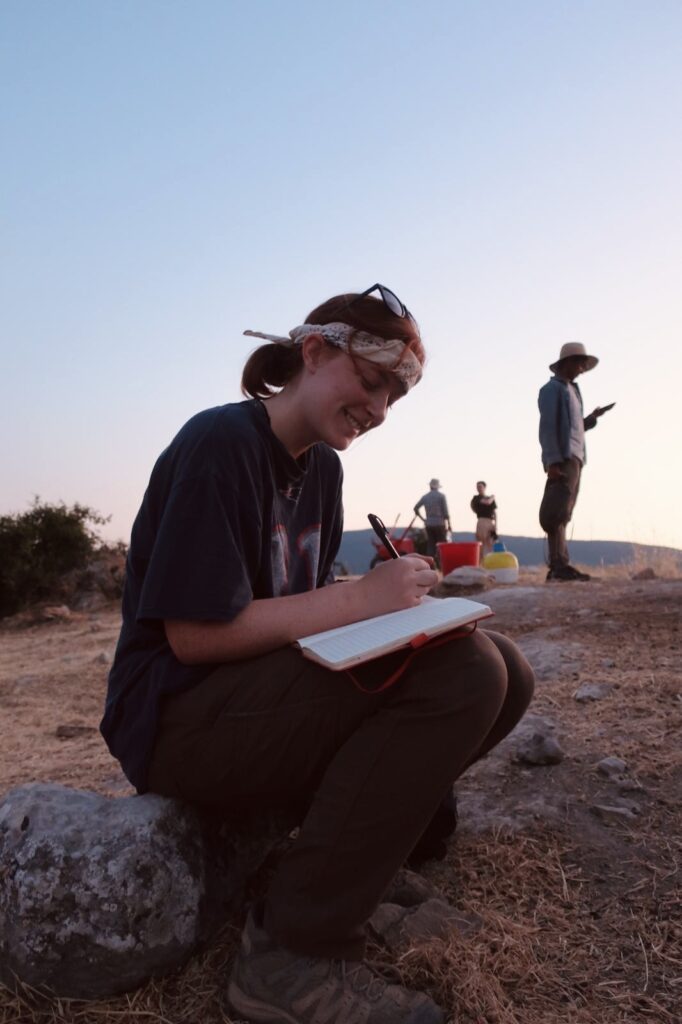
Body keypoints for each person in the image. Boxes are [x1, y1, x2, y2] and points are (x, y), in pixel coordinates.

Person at [101, 284, 535, 1024]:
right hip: (176, 718)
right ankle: (291, 954)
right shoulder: (220, 445)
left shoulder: (323, 473)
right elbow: (195, 636)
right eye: (370, 383)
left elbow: (297, 612)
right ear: (314, 351)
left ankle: (349, 874)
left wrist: (399, 619)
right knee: (466, 674)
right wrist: (361, 600)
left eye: (394, 397)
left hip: (252, 704)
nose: (379, 409)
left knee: (505, 670)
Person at [538, 341, 612, 582]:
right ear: (567, 363)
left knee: (564, 512)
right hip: (563, 457)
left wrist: (592, 417)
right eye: (580, 363)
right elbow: (548, 428)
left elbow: (575, 427)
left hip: (576, 457)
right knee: (556, 511)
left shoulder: (573, 391)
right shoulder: (552, 389)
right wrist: (553, 462)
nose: (582, 368)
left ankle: (561, 564)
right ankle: (558, 566)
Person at [413, 478, 451, 561]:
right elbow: (445, 512)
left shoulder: (425, 497)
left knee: (431, 545)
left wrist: (423, 519)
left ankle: (430, 564)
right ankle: (442, 564)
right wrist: (449, 525)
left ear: (430, 486)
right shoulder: (441, 496)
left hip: (429, 523)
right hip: (440, 523)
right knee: (442, 545)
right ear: (437, 487)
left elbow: (416, 508)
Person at [470, 481, 497, 559]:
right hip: (482, 521)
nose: (479, 488)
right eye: (477, 487)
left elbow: (494, 512)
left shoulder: (490, 498)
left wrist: (496, 524)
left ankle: (491, 561)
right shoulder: (476, 498)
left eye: (480, 486)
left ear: (484, 487)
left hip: (490, 521)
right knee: (481, 543)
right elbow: (487, 502)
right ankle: (481, 562)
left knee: (492, 543)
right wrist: (493, 497)